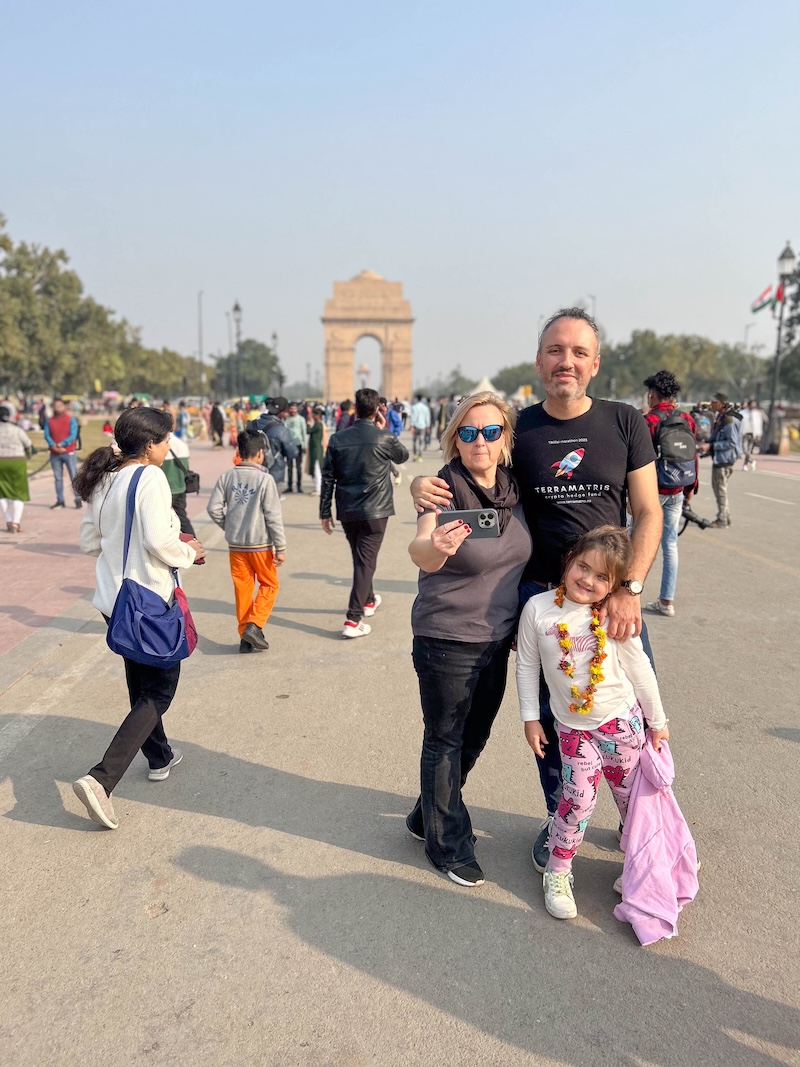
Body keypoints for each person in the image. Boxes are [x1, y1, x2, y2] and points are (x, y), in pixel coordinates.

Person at [412, 307, 662, 873]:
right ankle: (560, 826)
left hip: (612, 597)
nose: (566, 361)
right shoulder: (518, 430)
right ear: (539, 361)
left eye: (578, 352)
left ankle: (644, 829)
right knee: (554, 723)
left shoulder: (625, 422)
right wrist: (417, 487)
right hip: (541, 601)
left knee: (632, 719)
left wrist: (631, 587)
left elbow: (648, 512)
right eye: (555, 350)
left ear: (595, 363)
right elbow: (463, 472)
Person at [406, 392, 531, 887]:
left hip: (497, 639)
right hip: (447, 638)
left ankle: (425, 816)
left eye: (491, 432)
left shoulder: (514, 490)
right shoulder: (441, 490)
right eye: (469, 432)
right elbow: (421, 549)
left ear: (505, 441)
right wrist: (431, 547)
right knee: (445, 740)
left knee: (473, 738)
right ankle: (447, 842)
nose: (480, 442)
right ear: (454, 438)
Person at [517, 525, 669, 920]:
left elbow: (642, 672)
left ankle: (643, 865)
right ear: (569, 562)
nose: (587, 580)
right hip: (572, 732)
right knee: (576, 802)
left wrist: (658, 721)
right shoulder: (538, 609)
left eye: (602, 577)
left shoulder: (610, 617)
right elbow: (527, 666)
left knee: (633, 804)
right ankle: (558, 871)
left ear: (614, 585)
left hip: (622, 727)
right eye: (583, 567)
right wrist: (531, 719)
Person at [71, 407, 205, 830]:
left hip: (114, 599)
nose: (169, 447)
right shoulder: (150, 477)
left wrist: (119, 551)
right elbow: (158, 540)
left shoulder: (104, 478)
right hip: (147, 597)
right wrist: (190, 552)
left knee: (139, 679)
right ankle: (101, 779)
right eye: (166, 440)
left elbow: (90, 540)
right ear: (149, 445)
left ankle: (159, 755)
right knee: (160, 690)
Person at [320, 388, 409, 638]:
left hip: (348, 508)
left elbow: (328, 478)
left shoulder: (338, 439)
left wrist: (324, 511)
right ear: (377, 411)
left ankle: (369, 600)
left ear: (355, 409)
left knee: (361, 559)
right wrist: (384, 431)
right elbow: (403, 456)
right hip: (376, 510)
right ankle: (353, 618)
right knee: (365, 561)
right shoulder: (383, 438)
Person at [207, 429, 286, 653]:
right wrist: (280, 547)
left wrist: (229, 526)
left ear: (240, 452)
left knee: (243, 588)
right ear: (260, 453)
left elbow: (213, 508)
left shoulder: (227, 477)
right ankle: (255, 624)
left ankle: (245, 637)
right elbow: (273, 516)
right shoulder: (265, 479)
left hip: (236, 546)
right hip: (260, 544)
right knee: (270, 584)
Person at [641, 371, 698, 618]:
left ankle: (629, 595)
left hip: (650, 492)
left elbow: (638, 462)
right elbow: (692, 456)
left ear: (652, 394)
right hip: (677, 489)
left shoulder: (649, 420)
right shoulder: (687, 418)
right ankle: (666, 601)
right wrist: (691, 488)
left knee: (636, 543)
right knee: (670, 544)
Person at [700, 392, 743, 528]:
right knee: (719, 489)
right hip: (721, 459)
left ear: (722, 404)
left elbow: (731, 442)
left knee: (720, 490)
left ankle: (722, 519)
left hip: (724, 460)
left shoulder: (729, 419)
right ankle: (726, 517)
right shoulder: (722, 417)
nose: (711, 404)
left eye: (714, 402)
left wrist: (712, 446)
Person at [253, 397, 298, 497]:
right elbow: (293, 453)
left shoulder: (254, 424)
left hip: (255, 471)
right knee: (272, 508)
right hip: (274, 473)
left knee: (255, 506)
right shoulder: (281, 430)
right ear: (282, 412)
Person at [0, 405, 33, 533]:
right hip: (17, 461)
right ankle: (15, 522)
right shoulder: (16, 430)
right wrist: (29, 455)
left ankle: (8, 520)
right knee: (19, 492)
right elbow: (28, 444)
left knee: (2, 492)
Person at [45, 397, 82, 509]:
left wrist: (62, 444)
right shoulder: (49, 421)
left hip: (68, 452)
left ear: (64, 407)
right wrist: (53, 445)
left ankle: (77, 498)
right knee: (58, 477)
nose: (58, 408)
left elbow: (73, 435)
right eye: (55, 406)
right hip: (55, 453)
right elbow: (46, 435)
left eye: (60, 406)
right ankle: (60, 500)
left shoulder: (71, 420)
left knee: (73, 476)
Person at [162, 433, 196, 537]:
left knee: (166, 521)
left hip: (168, 489)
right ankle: (194, 542)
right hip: (181, 487)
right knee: (182, 518)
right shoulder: (181, 444)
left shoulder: (161, 444)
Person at [285, 402, 308, 493]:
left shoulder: (301, 419)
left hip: (298, 445)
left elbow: (304, 432)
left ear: (297, 409)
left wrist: (304, 445)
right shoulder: (286, 420)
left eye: (294, 409)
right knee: (289, 467)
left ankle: (299, 486)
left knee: (298, 467)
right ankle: (289, 486)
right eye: (291, 409)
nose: (293, 410)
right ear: (289, 409)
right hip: (289, 445)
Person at [740, 399, 765, 471]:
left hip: (752, 434)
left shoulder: (757, 414)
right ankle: (752, 461)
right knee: (745, 450)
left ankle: (745, 465)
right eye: (751, 405)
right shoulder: (742, 413)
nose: (753, 406)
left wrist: (759, 434)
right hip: (744, 433)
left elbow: (759, 424)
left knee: (749, 450)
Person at [307, 405, 326, 496]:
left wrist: (308, 422)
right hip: (315, 448)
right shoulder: (319, 424)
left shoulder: (318, 425)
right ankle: (317, 487)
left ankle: (318, 488)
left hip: (316, 449)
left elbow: (308, 430)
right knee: (316, 469)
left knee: (317, 469)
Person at [409, 394, 431, 461]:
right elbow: (427, 418)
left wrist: (412, 426)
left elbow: (412, 417)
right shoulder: (425, 407)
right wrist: (428, 427)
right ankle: (420, 456)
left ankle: (415, 455)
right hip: (423, 426)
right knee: (421, 441)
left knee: (415, 441)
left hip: (415, 426)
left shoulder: (414, 407)